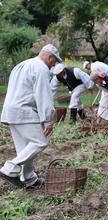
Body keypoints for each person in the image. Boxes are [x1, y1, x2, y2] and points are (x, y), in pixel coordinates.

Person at [0, 44, 62, 188]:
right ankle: (9, 169)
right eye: (54, 61)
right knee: (40, 142)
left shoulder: (22, 65)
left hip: (11, 111)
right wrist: (48, 120)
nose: (54, 65)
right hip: (24, 111)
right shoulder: (41, 68)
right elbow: (43, 95)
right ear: (49, 57)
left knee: (25, 148)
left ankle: (30, 179)